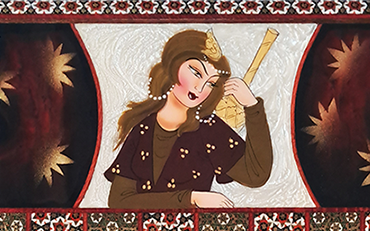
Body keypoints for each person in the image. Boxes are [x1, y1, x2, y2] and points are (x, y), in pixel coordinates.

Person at [105, 29, 272, 209]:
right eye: (196, 72)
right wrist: (190, 198)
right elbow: (118, 202)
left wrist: (252, 106)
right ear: (174, 64)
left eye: (211, 83)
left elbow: (256, 175)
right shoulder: (143, 128)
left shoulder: (208, 129)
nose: (200, 88)